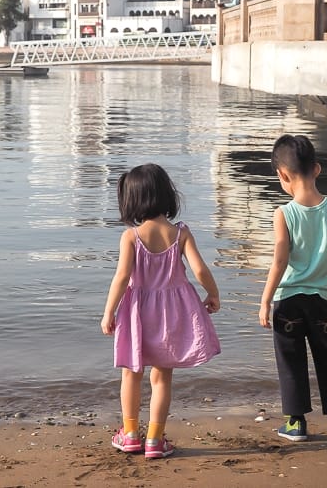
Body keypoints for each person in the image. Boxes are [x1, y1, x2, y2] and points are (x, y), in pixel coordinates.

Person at [101, 163, 221, 459]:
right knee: (162, 377)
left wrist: (108, 313)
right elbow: (199, 269)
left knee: (131, 373)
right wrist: (213, 293)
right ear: (167, 195)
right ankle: (154, 439)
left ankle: (130, 435)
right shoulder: (180, 233)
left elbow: (121, 278)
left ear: (132, 200)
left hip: (137, 313)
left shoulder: (131, 237)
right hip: (171, 313)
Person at [258, 135, 327, 442]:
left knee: (290, 360)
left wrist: (264, 301)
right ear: (317, 169)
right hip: (322, 301)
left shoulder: (284, 213)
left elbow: (279, 260)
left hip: (288, 299)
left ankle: (296, 422)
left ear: (282, 175)